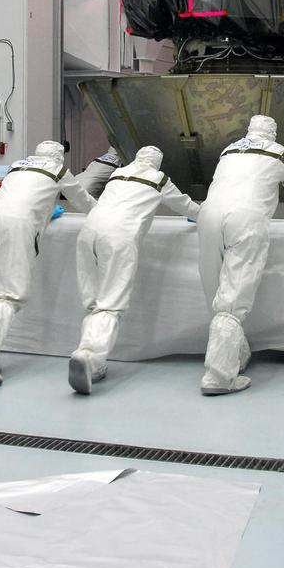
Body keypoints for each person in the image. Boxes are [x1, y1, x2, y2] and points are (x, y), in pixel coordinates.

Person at [196, 114, 284, 396]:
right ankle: (219, 377)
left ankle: (237, 356)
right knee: (232, 298)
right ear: (273, 133)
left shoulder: (228, 149)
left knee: (214, 289)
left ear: (249, 130)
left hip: (207, 215)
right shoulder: (279, 153)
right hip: (246, 218)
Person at [0, 141, 95, 385]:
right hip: (17, 225)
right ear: (59, 157)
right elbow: (85, 203)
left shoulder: (17, 166)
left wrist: (44, 211)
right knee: (10, 295)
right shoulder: (58, 170)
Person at [69, 146, 199, 395]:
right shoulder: (158, 178)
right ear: (157, 163)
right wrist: (204, 215)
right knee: (110, 303)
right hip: (119, 238)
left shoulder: (118, 173)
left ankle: (89, 353)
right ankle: (90, 358)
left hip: (89, 233)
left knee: (94, 300)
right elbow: (184, 205)